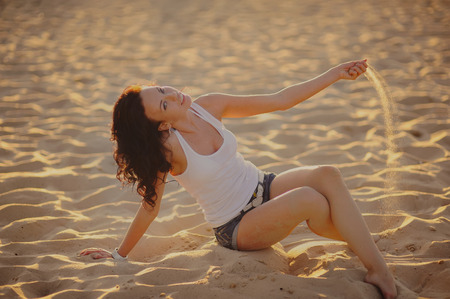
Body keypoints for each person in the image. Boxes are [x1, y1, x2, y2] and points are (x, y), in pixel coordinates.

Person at [80, 59, 397, 298]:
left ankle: (360, 243)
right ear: (161, 126)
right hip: (236, 225)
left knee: (328, 174)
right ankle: (378, 271)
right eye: (165, 103)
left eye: (163, 89)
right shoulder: (168, 149)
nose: (174, 95)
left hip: (265, 186)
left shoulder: (209, 105)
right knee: (309, 200)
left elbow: (280, 99)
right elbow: (151, 207)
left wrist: (335, 73)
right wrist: (119, 255)